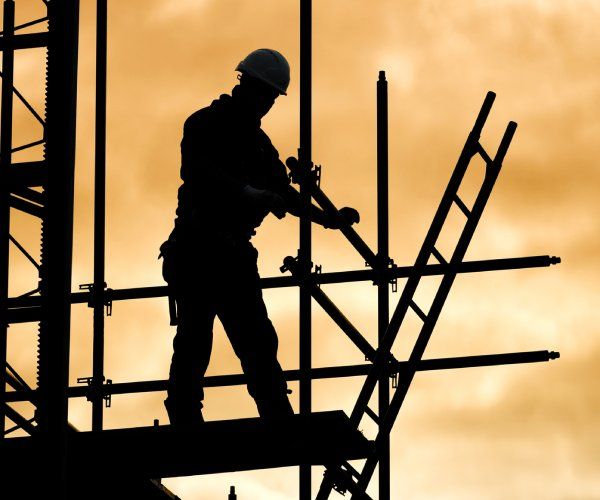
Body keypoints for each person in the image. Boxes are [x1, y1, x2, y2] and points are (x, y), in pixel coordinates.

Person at [160, 48, 360, 426]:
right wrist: (249, 194)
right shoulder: (204, 124)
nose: (267, 104)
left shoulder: (260, 145)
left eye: (271, 98)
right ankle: (185, 418)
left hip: (232, 253)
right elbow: (199, 171)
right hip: (197, 248)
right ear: (246, 86)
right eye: (264, 95)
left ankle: (276, 416)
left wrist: (327, 219)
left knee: (257, 341)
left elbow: (283, 194)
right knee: (194, 340)